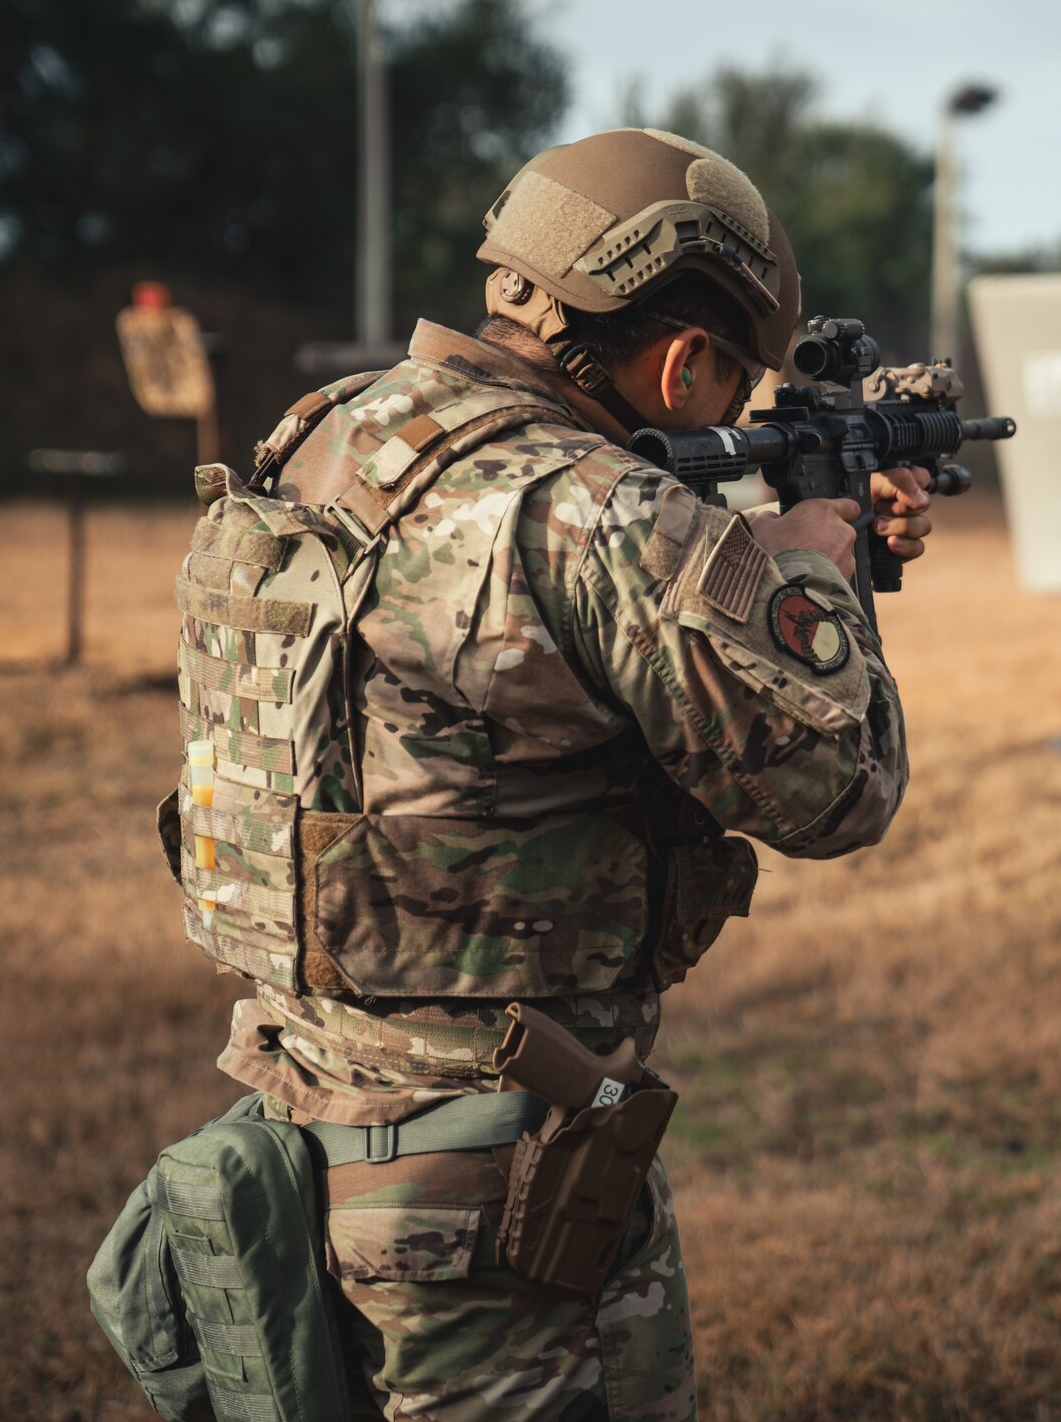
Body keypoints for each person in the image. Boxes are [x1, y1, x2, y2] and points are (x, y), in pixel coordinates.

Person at [169, 128, 934, 1419]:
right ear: (686, 357)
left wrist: (753, 552)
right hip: (499, 1175)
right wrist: (807, 567)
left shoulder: (334, 432)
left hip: (311, 1099)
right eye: (724, 382)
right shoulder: (606, 513)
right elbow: (837, 788)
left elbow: (517, 662)